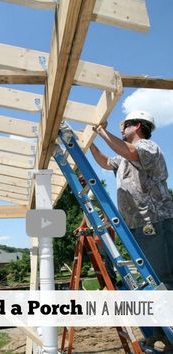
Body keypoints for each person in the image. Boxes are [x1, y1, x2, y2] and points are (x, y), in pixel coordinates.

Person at [90, 110, 173, 350]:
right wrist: (86, 144)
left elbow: (129, 151)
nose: (120, 129)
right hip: (138, 225)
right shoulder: (124, 158)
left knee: (163, 279)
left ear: (137, 126)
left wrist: (101, 131)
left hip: (156, 221)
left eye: (124, 125)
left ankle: (169, 336)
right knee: (152, 280)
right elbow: (106, 162)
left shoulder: (149, 147)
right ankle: (160, 332)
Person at [74, 175, 117, 287]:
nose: (81, 181)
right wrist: (81, 226)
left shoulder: (93, 191)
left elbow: (106, 207)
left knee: (107, 258)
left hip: (102, 229)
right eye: (80, 180)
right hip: (96, 230)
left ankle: (112, 285)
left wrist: (105, 226)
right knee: (102, 258)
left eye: (83, 179)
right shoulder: (84, 195)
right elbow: (86, 214)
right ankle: (107, 285)